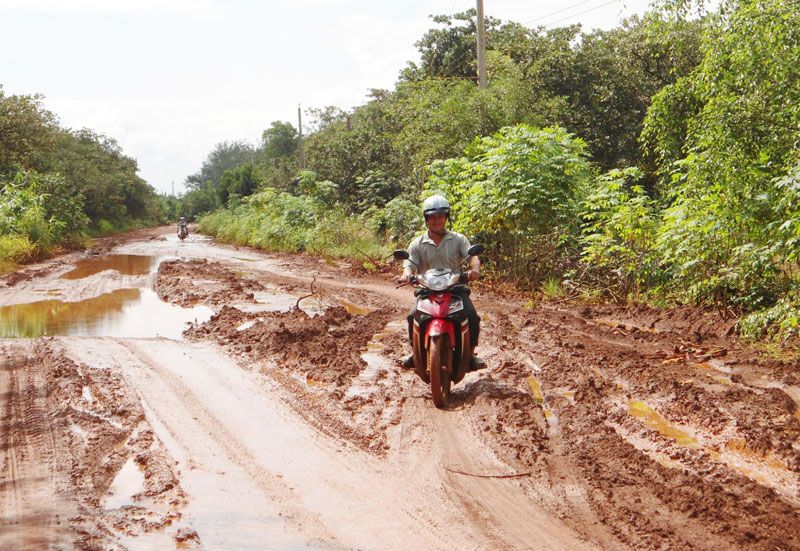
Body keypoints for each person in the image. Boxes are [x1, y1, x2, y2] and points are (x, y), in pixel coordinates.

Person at [398, 194, 485, 370]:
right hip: (427, 290)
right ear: (426, 219)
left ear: (446, 217)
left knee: (471, 315)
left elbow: (472, 257)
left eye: (440, 216)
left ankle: (470, 355)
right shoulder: (417, 243)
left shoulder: (458, 239)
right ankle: (415, 354)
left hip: (455, 289)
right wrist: (407, 275)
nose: (436, 220)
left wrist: (474, 270)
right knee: (413, 315)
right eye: (432, 217)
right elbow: (409, 265)